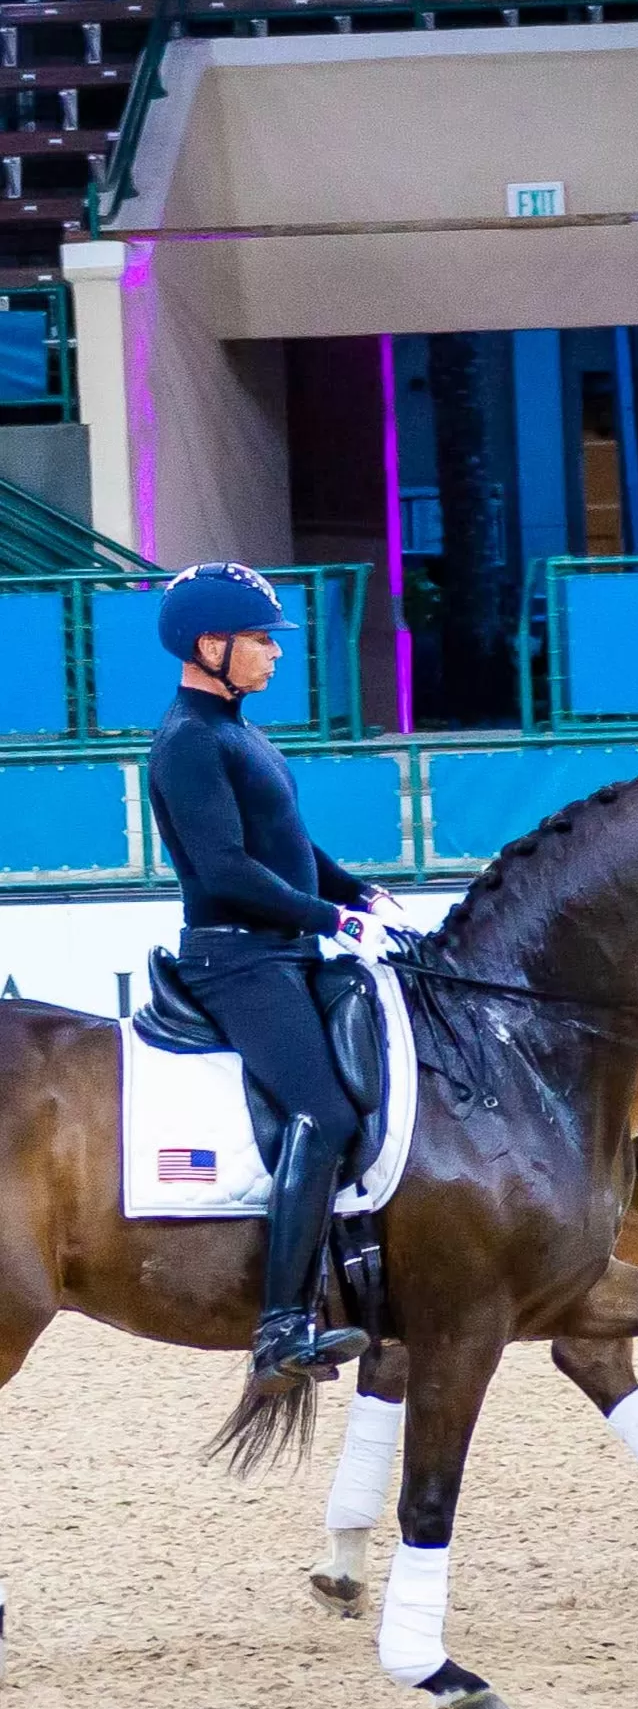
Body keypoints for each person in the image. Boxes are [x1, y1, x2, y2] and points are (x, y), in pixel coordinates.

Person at [146, 563, 410, 1392]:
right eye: (260, 640)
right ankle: (281, 1325)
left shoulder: (242, 732)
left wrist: (360, 892)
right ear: (209, 645)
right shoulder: (188, 741)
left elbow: (290, 847)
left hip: (283, 951)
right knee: (322, 1113)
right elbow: (225, 870)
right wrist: (332, 921)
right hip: (237, 960)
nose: (274, 654)